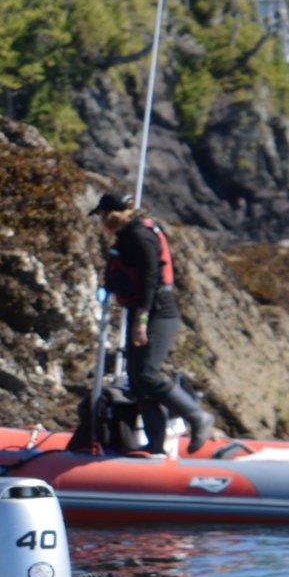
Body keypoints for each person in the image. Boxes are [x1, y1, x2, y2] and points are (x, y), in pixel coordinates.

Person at [90, 191, 220, 455]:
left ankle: (197, 416)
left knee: (148, 373)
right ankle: (156, 444)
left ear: (113, 214)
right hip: (142, 312)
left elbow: (151, 280)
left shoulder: (140, 236)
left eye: (102, 215)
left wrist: (142, 320)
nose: (101, 221)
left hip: (159, 313)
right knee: (138, 382)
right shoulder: (126, 236)